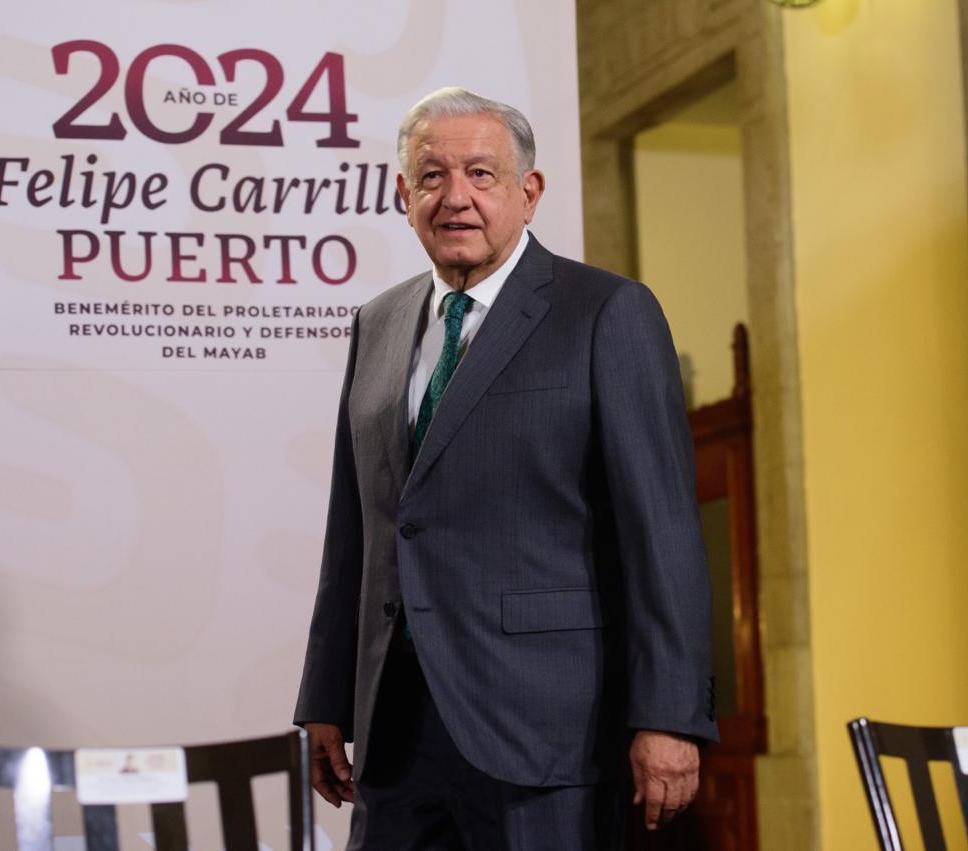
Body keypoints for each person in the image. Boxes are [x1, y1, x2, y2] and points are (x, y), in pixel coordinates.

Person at [294, 86, 717, 850]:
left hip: (545, 735)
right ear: (403, 196)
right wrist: (326, 695)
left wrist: (671, 715)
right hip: (396, 730)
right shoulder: (376, 323)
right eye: (431, 176)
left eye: (481, 174)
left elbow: (662, 535)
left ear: (530, 191)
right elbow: (353, 526)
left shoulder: (606, 312)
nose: (455, 196)